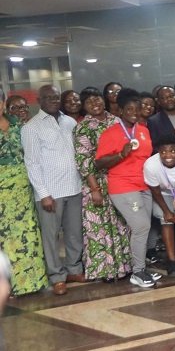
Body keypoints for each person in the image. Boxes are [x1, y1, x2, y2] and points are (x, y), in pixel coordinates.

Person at [95, 88, 163, 288]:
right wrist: (120, 155)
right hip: (123, 186)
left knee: (145, 226)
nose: (134, 112)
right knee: (141, 226)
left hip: (144, 185)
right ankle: (138, 272)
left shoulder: (143, 130)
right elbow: (99, 163)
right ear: (121, 111)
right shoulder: (111, 133)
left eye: (138, 108)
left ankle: (141, 267)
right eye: (130, 109)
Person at [21, 85, 84, 296]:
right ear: (39, 100)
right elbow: (32, 163)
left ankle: (74, 270)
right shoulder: (31, 127)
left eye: (56, 97)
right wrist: (43, 193)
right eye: (48, 98)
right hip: (50, 193)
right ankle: (57, 276)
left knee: (74, 233)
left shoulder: (69, 121)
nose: (53, 100)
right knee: (51, 237)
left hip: (74, 187)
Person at [73, 87, 132, 282]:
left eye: (97, 99)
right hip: (96, 183)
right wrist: (95, 189)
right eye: (89, 102)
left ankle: (124, 267)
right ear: (83, 106)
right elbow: (84, 161)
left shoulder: (116, 121)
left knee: (121, 224)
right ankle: (105, 271)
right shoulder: (82, 127)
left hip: (118, 178)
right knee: (99, 228)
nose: (95, 103)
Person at [0, 89, 48, 296]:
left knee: (28, 233)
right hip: (2, 191)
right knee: (5, 238)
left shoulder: (19, 124)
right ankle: (7, 285)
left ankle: (32, 283)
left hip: (24, 187)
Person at [143, 135, 175, 276]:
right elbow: (155, 190)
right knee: (166, 221)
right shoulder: (150, 165)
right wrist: (167, 211)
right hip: (163, 195)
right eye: (163, 151)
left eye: (172, 150)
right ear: (158, 151)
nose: (168, 155)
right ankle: (172, 261)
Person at [148, 86, 175, 151]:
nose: (169, 99)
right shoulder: (153, 121)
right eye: (164, 98)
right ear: (159, 101)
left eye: (171, 96)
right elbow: (155, 146)